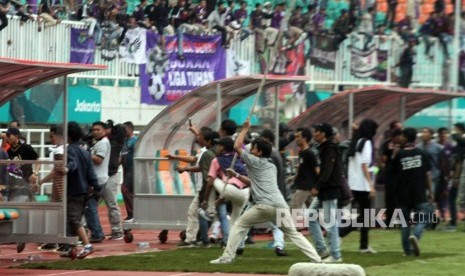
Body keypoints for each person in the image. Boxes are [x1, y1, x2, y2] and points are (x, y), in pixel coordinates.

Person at [210, 119, 321, 264]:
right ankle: (317, 259)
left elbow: (236, 146)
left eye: (253, 148)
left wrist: (244, 129)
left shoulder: (255, 161)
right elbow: (254, 183)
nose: (250, 150)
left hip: (264, 206)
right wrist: (236, 175)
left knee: (239, 225)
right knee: (293, 233)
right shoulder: (270, 165)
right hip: (280, 205)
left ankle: (226, 257)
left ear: (259, 152)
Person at [59, 121, 101, 259]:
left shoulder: (70, 149)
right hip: (84, 191)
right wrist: (97, 187)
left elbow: (72, 163)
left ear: (68, 135)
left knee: (73, 219)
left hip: (74, 189)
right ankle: (72, 248)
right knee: (71, 220)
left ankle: (87, 245)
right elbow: (91, 173)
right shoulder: (85, 152)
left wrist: (66, 168)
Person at [390, 128, 433, 257]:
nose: (400, 138)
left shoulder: (400, 155)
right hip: (419, 192)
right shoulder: (421, 153)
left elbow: (392, 173)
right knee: (423, 218)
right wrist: (430, 191)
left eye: (402, 135)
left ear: (406, 137)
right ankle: (416, 235)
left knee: (405, 223)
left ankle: (407, 251)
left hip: (403, 194)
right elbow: (427, 174)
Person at [204, 137, 249, 248]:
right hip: (244, 193)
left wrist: (205, 200)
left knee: (211, 179)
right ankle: (240, 244)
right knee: (235, 222)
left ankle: (210, 210)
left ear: (222, 147)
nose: (217, 147)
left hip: (230, 189)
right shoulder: (238, 158)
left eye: (218, 145)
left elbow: (210, 183)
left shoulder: (216, 160)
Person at [169, 126, 211, 247]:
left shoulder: (206, 152)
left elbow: (199, 166)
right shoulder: (204, 151)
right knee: (202, 213)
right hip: (203, 187)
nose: (197, 138)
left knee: (196, 212)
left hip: (204, 187)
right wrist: (176, 157)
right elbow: (193, 159)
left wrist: (185, 168)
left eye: (199, 136)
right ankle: (199, 238)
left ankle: (195, 239)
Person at [308, 123, 342, 263]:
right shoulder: (322, 148)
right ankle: (322, 250)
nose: (314, 134)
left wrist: (317, 186)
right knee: (310, 215)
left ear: (322, 134)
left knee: (330, 222)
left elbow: (327, 170)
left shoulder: (329, 149)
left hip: (329, 190)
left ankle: (335, 255)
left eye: (316, 131)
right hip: (324, 190)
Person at [345, 119, 378, 254]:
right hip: (363, 185)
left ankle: (364, 246)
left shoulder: (356, 141)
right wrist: (371, 186)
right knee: (364, 217)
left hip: (353, 183)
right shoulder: (367, 143)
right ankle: (340, 232)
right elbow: (365, 166)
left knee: (364, 216)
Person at [85, 121, 111, 243]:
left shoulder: (103, 143)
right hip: (99, 178)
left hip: (97, 179)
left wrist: (85, 154)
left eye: (98, 129)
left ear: (105, 131)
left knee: (90, 208)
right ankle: (97, 232)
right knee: (91, 207)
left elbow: (98, 160)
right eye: (93, 130)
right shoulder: (99, 143)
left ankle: (96, 233)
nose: (95, 132)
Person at [6, 127, 39, 202]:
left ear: (16, 136)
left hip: (26, 185)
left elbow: (38, 160)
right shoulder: (8, 151)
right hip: (14, 186)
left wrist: (35, 173)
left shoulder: (26, 147)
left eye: (9, 135)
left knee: (29, 208)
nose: (7, 137)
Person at [290, 127, 319, 211]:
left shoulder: (310, 153)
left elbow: (317, 171)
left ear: (304, 138)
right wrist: (293, 178)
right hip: (305, 187)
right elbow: (302, 169)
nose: (296, 139)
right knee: (313, 213)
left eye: (298, 137)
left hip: (305, 188)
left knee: (293, 209)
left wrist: (317, 187)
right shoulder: (301, 152)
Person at [120, 121, 138, 223]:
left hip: (133, 169)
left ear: (130, 129)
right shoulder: (124, 141)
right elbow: (122, 155)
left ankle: (132, 213)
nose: (123, 131)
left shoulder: (135, 140)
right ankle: (131, 214)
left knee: (125, 189)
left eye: (125, 129)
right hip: (126, 169)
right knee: (130, 191)